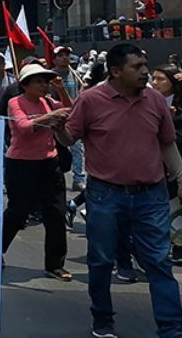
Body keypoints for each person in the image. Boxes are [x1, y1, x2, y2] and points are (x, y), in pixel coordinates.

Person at [66, 43, 182, 338]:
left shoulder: (155, 101)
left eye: (145, 65)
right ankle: (102, 319)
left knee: (158, 261)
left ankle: (171, 327)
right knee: (102, 260)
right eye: (138, 67)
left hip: (152, 195)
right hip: (105, 195)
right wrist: (56, 127)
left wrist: (181, 178)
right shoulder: (90, 100)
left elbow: (167, 143)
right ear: (115, 72)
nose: (145, 72)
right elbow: (69, 138)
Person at [1, 64, 73, 281]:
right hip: (21, 165)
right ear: (25, 85)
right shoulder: (15, 102)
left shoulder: (49, 101)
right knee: (17, 212)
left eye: (46, 81)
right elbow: (23, 128)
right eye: (38, 81)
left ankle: (55, 264)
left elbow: (70, 109)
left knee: (56, 214)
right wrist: (50, 118)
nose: (44, 85)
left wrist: (61, 91)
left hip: (49, 163)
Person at [151, 64, 182, 264]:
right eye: (153, 78)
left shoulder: (178, 106)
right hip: (154, 165)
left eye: (161, 79)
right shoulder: (148, 102)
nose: (155, 83)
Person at [51, 46, 86, 192]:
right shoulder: (50, 76)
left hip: (74, 117)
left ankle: (78, 179)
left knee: (77, 149)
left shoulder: (75, 74)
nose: (65, 57)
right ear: (54, 59)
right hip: (56, 117)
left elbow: (79, 92)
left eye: (67, 55)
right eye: (60, 55)